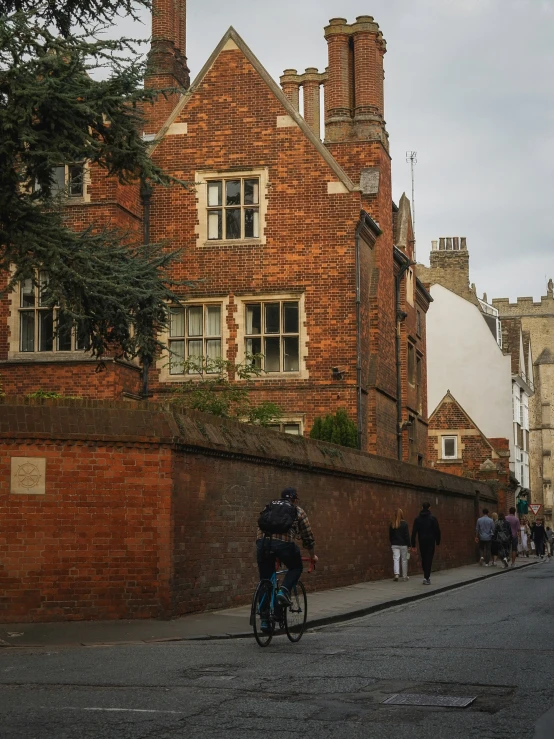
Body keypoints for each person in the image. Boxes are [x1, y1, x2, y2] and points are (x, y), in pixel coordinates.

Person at [256, 487, 317, 627]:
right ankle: (284, 591)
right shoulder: (297, 510)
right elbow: (308, 537)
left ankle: (265, 620)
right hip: (284, 546)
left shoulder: (269, 506)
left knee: (266, 581)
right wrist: (312, 556)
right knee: (296, 567)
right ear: (294, 499)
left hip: (263, 544)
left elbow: (260, 525)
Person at [411, 502, 441, 585]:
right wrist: (438, 541)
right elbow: (437, 531)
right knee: (429, 558)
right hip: (431, 541)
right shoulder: (433, 519)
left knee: (424, 558)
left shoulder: (417, 519)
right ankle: (426, 577)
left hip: (422, 541)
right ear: (429, 508)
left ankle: (425, 575)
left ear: (422, 507)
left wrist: (413, 544)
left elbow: (414, 532)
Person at [389, 508, 411, 582]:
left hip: (395, 544)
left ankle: (396, 574)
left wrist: (392, 542)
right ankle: (404, 576)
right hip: (403, 544)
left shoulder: (392, 523)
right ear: (402, 514)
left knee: (396, 558)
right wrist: (409, 545)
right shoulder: (405, 524)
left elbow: (390, 535)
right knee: (404, 560)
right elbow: (406, 535)